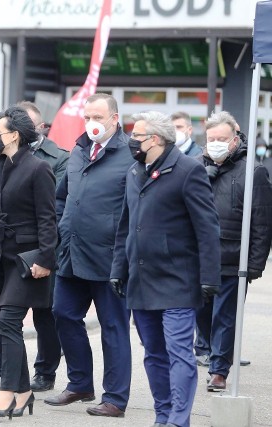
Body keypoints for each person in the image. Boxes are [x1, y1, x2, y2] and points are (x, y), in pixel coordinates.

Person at [111, 111, 221, 427]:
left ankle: (178, 420)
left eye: (137, 136)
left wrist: (209, 276)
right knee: (153, 354)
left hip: (178, 280)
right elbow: (125, 226)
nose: (131, 140)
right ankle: (163, 415)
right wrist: (119, 268)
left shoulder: (189, 171)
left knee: (179, 353)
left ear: (156, 139)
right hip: (141, 281)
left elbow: (207, 228)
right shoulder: (135, 171)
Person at [44, 93, 133, 418]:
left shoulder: (130, 155)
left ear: (114, 118)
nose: (92, 124)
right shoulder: (79, 150)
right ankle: (80, 383)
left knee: (114, 326)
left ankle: (115, 398)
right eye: (88, 118)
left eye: (99, 117)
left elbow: (135, 207)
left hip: (111, 258)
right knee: (63, 314)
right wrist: (61, 226)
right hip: (72, 252)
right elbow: (62, 196)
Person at [0, 101, 67, 395]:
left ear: (14, 135)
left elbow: (48, 219)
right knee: (5, 320)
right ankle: (23, 391)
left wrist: (46, 259)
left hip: (26, 259)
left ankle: (11, 392)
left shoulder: (38, 168)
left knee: (9, 320)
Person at [196, 112, 272, 392]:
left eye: (222, 139)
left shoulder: (253, 170)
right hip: (198, 259)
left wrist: (254, 265)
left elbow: (262, 222)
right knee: (201, 315)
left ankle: (219, 369)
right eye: (211, 138)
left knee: (224, 317)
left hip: (231, 258)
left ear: (235, 138)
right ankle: (207, 350)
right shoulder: (195, 166)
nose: (216, 143)